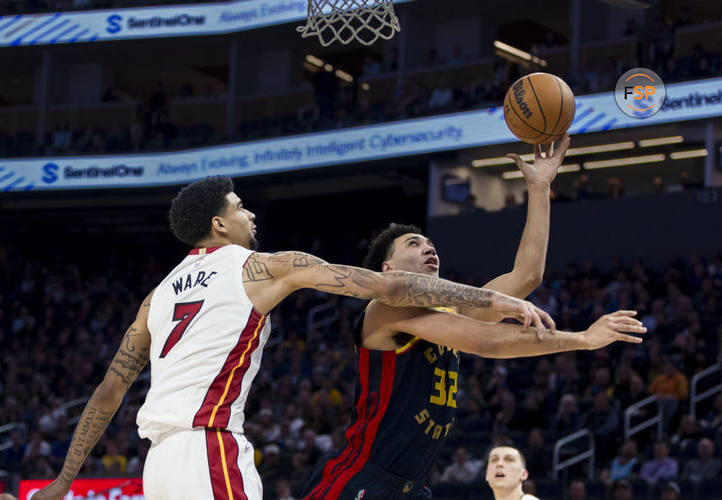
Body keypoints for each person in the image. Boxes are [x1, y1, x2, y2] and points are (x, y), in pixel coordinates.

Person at [32, 176, 552, 500]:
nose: (250, 213)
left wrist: (62, 480)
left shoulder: (156, 297)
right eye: (239, 207)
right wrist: (495, 300)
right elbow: (385, 284)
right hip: (209, 448)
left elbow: (108, 392)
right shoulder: (263, 265)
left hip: (158, 467)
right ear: (219, 223)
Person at [301, 137, 646, 500]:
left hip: (412, 489)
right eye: (413, 244)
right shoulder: (385, 309)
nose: (428, 247)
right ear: (387, 267)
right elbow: (486, 341)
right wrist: (582, 340)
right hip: (361, 478)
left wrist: (540, 187)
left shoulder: (455, 309)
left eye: (430, 243)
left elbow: (527, 276)